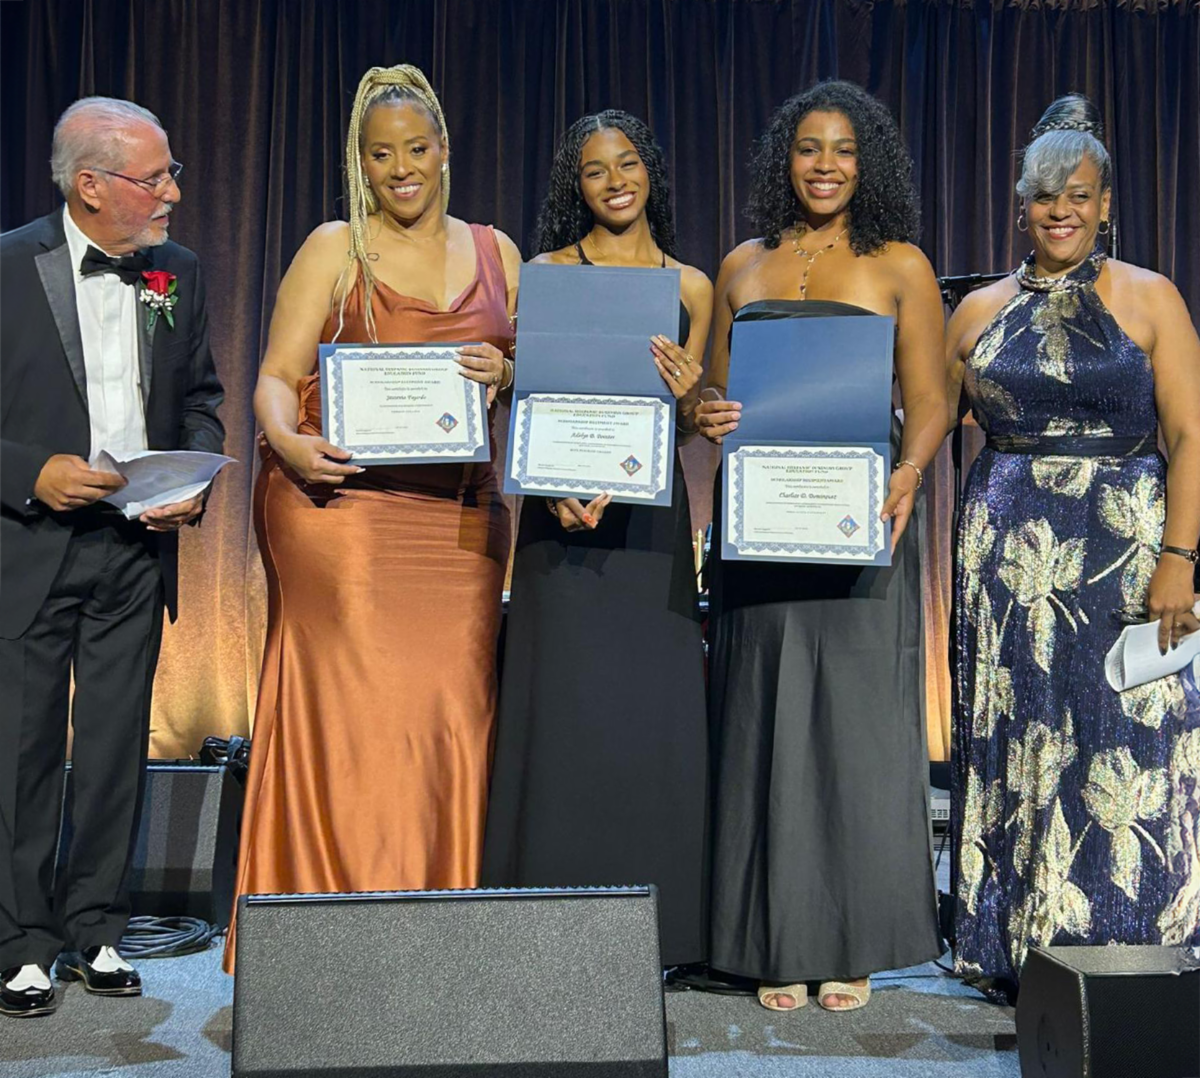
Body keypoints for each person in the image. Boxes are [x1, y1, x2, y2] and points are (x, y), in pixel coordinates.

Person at [224, 65, 520, 971]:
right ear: (362, 161)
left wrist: (509, 375)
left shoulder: (499, 251)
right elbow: (275, 377)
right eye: (381, 153)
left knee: (450, 712)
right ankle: (324, 944)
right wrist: (288, 444)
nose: (402, 168)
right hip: (338, 508)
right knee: (351, 711)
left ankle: (442, 934)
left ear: (445, 151)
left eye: (417, 149)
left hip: (458, 522)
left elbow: (541, 377)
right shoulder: (333, 247)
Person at [695, 80, 948, 1012]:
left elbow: (930, 400)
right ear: (784, 160)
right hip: (761, 522)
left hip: (862, 513)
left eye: (843, 149)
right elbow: (712, 402)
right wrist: (702, 408)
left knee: (854, 724)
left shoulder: (901, 267)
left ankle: (849, 938)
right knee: (761, 715)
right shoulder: (741, 266)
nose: (826, 165)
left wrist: (912, 471)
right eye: (809, 148)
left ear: (866, 160)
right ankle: (772, 937)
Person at [947, 94, 1200, 999]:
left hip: (1125, 547)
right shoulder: (976, 308)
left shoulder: (1150, 296)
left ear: (1104, 204)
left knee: (1126, 731)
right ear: (1022, 205)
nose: (1062, 212)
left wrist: (1182, 557)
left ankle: (1130, 941)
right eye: (1046, 197)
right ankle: (1013, 943)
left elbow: (1192, 433)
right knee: (1020, 733)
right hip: (1007, 549)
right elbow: (919, 423)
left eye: (1079, 197)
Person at [0, 97, 225, 1016]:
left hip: (136, 545)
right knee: (19, 749)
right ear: (89, 186)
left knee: (113, 748)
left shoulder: (178, 272)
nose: (173, 191)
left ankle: (96, 926)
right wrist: (31, 472)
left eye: (170, 173)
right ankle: (20, 940)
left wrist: (195, 479)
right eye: (154, 177)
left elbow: (202, 396)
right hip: (32, 543)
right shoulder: (10, 266)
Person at [481, 111, 712, 968]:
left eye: (626, 164)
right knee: (563, 715)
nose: (613, 180)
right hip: (557, 521)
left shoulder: (691, 286)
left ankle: (660, 933)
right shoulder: (543, 274)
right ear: (571, 187)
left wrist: (692, 398)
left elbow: (691, 426)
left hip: (649, 523)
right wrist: (552, 486)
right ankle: (542, 929)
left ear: (650, 169)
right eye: (592, 170)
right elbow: (522, 395)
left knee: (645, 720)